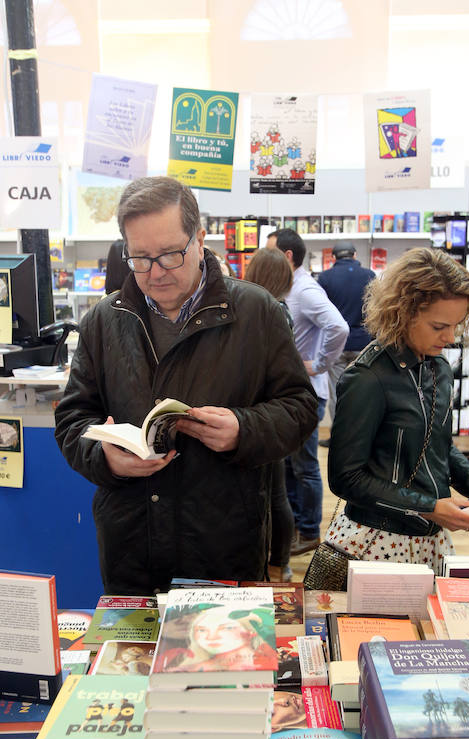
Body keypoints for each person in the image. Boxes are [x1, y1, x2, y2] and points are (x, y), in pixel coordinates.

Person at [55, 176, 318, 594]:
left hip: (223, 544)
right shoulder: (104, 321)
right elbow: (72, 418)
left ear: (199, 238)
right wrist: (102, 457)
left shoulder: (256, 312)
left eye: (170, 255)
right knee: (132, 659)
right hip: (131, 549)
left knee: (221, 656)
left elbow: (301, 408)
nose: (154, 272)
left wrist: (243, 429)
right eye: (139, 258)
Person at [327, 247, 469, 577]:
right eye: (439, 326)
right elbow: (345, 477)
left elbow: (439, 444)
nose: (450, 337)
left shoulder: (437, 368)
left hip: (429, 537)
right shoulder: (368, 378)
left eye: (456, 325)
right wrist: (429, 507)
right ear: (404, 312)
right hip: (376, 542)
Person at [266, 228, 349, 555]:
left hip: (308, 393)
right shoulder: (291, 288)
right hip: (294, 392)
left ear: (287, 257)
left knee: (304, 466)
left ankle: (310, 531)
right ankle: (300, 526)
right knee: (291, 465)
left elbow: (338, 326)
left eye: (271, 253)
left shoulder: (304, 290)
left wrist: (318, 363)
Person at [245, 247, 296, 582]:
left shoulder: (263, 313)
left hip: (261, 415)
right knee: (278, 493)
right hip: (273, 415)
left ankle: (277, 563)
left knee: (274, 494)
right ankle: (280, 562)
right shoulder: (282, 310)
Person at [316, 240, 375, 447]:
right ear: (355, 255)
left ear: (333, 257)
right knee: (363, 392)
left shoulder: (325, 278)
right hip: (363, 343)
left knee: (337, 392)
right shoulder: (370, 276)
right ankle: (362, 438)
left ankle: (339, 437)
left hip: (336, 344)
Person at [160, 606, 278, 673]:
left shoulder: (269, 661)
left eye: (226, 628)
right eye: (202, 630)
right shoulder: (183, 670)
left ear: (250, 632)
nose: (211, 637)